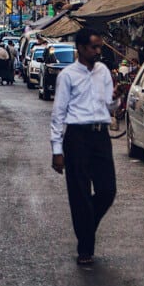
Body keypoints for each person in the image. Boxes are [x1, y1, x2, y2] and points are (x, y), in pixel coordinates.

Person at [50, 28, 118, 266]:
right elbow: (58, 113)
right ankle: (85, 248)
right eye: (94, 47)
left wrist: (118, 100)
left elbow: (109, 107)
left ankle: (87, 226)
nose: (98, 52)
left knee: (107, 190)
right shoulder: (67, 75)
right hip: (76, 137)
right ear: (80, 48)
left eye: (100, 47)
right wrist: (57, 150)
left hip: (100, 136)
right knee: (79, 194)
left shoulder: (104, 72)